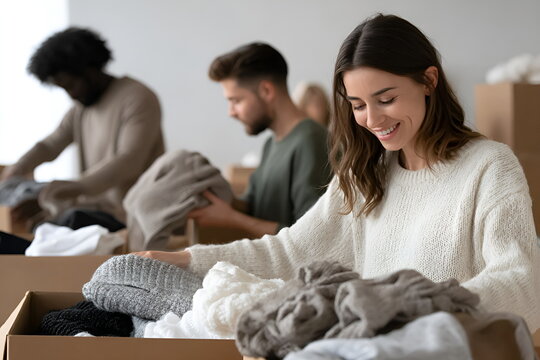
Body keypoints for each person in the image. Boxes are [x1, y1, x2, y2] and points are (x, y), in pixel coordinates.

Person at [136, 14, 540, 330]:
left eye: (386, 99)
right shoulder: (366, 175)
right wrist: (187, 259)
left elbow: (523, 281)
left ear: (428, 81)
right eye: (358, 104)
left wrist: (416, 309)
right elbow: (288, 252)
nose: (372, 119)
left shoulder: (489, 166)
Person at [0, 27, 165, 222]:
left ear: (90, 70)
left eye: (71, 85)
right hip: (96, 211)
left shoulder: (137, 97)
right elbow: (51, 144)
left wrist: (60, 191)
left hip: (134, 216)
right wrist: (17, 169)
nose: (71, 94)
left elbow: (128, 160)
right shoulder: (80, 109)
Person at [187, 42, 332, 238]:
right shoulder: (271, 144)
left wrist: (232, 219)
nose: (231, 112)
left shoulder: (311, 140)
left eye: (236, 101)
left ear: (266, 91)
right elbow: (252, 206)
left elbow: (311, 236)